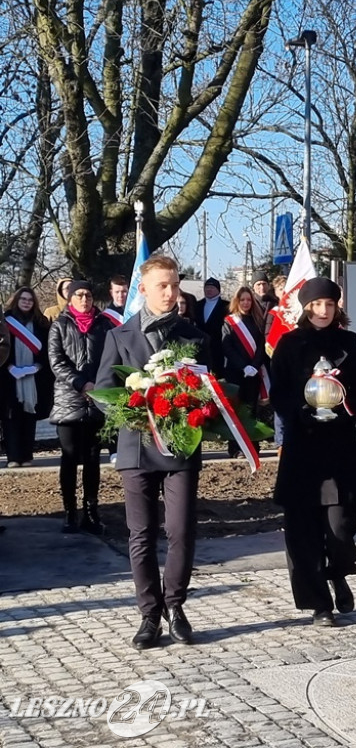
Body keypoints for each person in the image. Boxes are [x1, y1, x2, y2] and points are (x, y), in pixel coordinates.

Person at [96, 255, 210, 650]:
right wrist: (132, 411)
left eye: (175, 284)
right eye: (162, 285)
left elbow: (206, 391)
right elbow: (101, 395)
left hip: (179, 448)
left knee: (180, 530)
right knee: (140, 534)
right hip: (137, 448)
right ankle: (149, 614)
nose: (170, 292)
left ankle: (175, 607)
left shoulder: (192, 336)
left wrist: (193, 405)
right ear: (142, 290)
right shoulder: (118, 336)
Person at [270, 277, 356, 627]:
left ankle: (338, 571)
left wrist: (345, 408)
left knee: (341, 528)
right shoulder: (288, 343)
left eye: (329, 304)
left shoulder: (349, 342)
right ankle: (319, 604)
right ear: (306, 307)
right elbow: (279, 391)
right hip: (302, 446)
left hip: (339, 445)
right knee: (303, 533)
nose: (323, 311)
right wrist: (299, 410)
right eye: (316, 304)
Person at [48, 280, 113, 533]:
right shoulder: (60, 325)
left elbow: (110, 358)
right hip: (69, 400)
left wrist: (99, 384)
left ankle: (91, 511)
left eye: (87, 295)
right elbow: (57, 361)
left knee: (93, 458)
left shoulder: (104, 325)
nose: (84, 299)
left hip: (97, 400)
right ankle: (69, 512)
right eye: (79, 295)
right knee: (70, 457)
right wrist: (80, 383)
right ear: (71, 298)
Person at [1, 287, 53, 467]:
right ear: (16, 300)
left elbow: (47, 349)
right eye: (23, 299)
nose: (26, 302)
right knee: (11, 418)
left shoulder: (41, 322)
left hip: (34, 378)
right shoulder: (5, 321)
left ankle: (27, 456)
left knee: (29, 417)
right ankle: (13, 457)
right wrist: (9, 367)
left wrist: (36, 366)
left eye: (30, 300)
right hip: (9, 378)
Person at [222, 286, 268, 459]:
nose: (246, 303)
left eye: (249, 300)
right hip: (235, 373)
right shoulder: (229, 321)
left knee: (251, 410)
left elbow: (262, 347)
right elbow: (227, 347)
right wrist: (243, 366)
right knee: (236, 410)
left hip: (254, 373)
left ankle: (253, 446)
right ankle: (236, 447)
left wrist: (255, 366)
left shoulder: (257, 320)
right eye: (243, 300)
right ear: (237, 301)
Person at [198, 277, 229, 376]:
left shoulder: (226, 306)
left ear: (218, 290)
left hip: (219, 349)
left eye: (212, 287)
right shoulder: (197, 305)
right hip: (200, 349)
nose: (209, 290)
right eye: (207, 287)